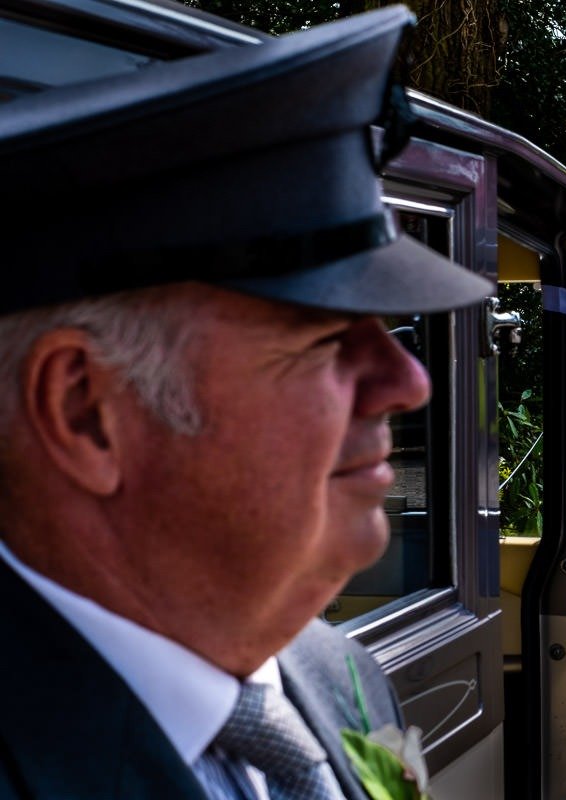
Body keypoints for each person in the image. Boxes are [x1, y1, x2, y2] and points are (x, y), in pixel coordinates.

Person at [0, 6, 490, 799]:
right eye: (322, 340)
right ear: (87, 411)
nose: (409, 382)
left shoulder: (341, 677)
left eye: (386, 328)